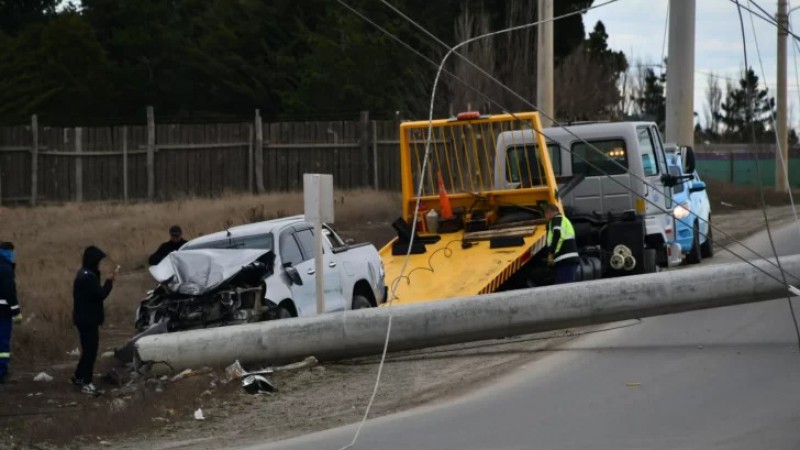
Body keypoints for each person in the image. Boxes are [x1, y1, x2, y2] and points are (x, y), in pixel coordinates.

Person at [72, 245, 116, 395]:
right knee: (91, 351)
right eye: (97, 262)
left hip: (83, 318)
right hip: (88, 320)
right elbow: (100, 294)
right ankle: (87, 383)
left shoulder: (84, 274)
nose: (99, 265)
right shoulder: (87, 278)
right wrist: (109, 282)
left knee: (87, 350)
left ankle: (79, 376)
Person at [0, 242, 21, 384]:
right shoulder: (5, 268)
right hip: (3, 312)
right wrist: (16, 311)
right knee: (3, 343)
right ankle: (1, 371)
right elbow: (9, 292)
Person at [544, 203, 580, 284]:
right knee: (567, 285)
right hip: (569, 258)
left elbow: (557, 235)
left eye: (545, 214)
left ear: (549, 213)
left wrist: (551, 253)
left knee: (564, 286)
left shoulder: (557, 220)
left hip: (564, 259)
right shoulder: (564, 220)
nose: (545, 217)